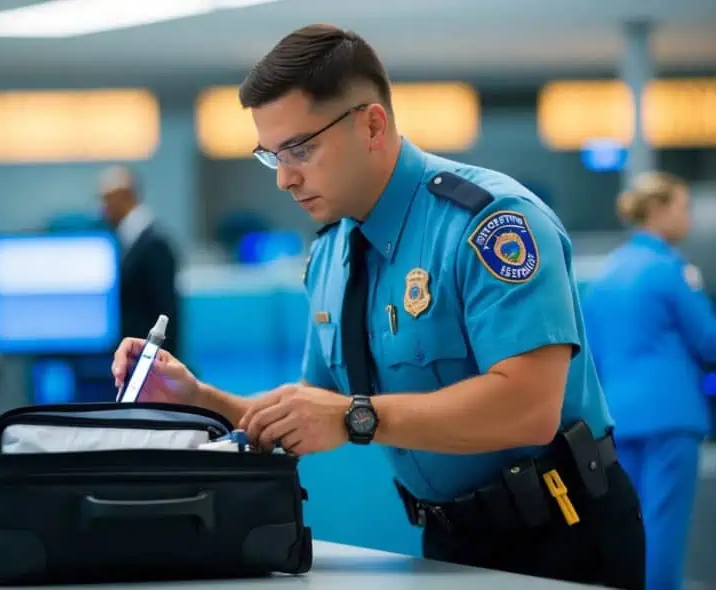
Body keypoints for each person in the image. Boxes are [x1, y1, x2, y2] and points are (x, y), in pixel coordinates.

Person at [112, 24, 644, 589]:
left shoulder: (490, 223)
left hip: (562, 535)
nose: (285, 178)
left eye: (300, 149)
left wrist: (354, 418)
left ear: (371, 124)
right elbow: (310, 410)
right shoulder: (331, 256)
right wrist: (196, 398)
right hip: (449, 542)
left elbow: (529, 408)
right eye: (272, 156)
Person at [582, 172, 716, 590]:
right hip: (670, 416)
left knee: (633, 524)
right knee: (664, 527)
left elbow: (592, 352)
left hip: (617, 417)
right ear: (657, 210)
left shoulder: (607, 274)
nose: (687, 215)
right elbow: (709, 342)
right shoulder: (670, 270)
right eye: (681, 206)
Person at [100, 165, 181, 357]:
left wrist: (161, 361)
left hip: (148, 360)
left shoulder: (153, 243)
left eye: (106, 200)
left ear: (124, 197)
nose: (103, 208)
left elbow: (166, 312)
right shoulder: (127, 239)